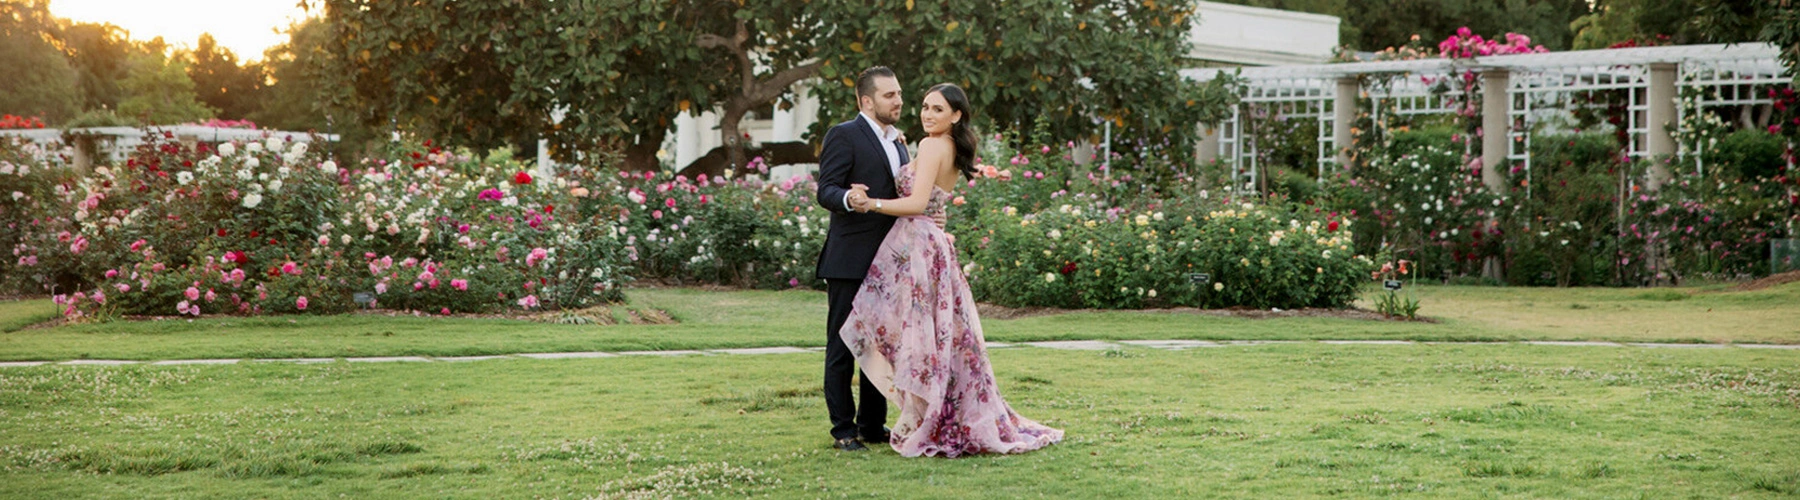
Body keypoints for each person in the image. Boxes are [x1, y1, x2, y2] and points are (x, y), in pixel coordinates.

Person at [839, 83, 1064, 458]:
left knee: (910, 328)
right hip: (930, 243)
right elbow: (934, 196)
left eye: (938, 109)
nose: (927, 114)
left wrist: (869, 203)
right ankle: (933, 409)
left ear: (956, 115)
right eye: (925, 106)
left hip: (920, 245)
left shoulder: (930, 145)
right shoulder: (950, 145)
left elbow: (917, 202)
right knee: (938, 334)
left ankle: (929, 416)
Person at [814, 66, 908, 452]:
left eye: (899, 93)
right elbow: (826, 191)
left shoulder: (899, 142)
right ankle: (843, 431)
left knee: (879, 347)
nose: (899, 100)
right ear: (866, 100)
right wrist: (849, 200)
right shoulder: (843, 134)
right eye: (890, 95)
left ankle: (872, 426)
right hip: (850, 260)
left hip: (889, 262)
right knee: (842, 347)